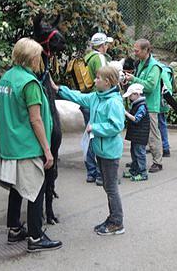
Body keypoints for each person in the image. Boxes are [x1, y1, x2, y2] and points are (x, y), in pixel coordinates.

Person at [0, 38, 62, 252]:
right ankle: (35, 237)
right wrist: (47, 150)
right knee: (36, 189)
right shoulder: (29, 83)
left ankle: (14, 228)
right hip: (27, 145)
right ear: (32, 58)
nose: (40, 60)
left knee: (16, 187)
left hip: (10, 144)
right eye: (38, 56)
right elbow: (36, 120)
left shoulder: (6, 78)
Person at [51, 65, 126, 235]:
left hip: (110, 152)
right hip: (100, 150)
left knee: (111, 187)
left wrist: (95, 127)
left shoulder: (113, 102)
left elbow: (117, 126)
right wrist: (58, 89)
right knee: (108, 186)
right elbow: (78, 97)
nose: (95, 80)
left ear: (107, 82)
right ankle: (113, 218)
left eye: (98, 78)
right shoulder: (96, 97)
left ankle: (117, 222)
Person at [124, 39, 164, 173]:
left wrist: (133, 79)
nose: (134, 53)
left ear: (146, 50)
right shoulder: (141, 63)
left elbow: (150, 86)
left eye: (137, 51)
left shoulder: (154, 66)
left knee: (153, 135)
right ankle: (137, 161)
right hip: (139, 104)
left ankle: (157, 162)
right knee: (137, 135)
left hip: (150, 106)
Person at [82, 32, 114, 185]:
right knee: (99, 135)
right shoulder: (100, 58)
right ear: (102, 45)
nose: (107, 47)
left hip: (89, 100)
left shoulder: (88, 58)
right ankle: (101, 174)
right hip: (98, 100)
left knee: (90, 135)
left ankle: (91, 172)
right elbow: (106, 79)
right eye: (106, 44)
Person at [122, 83, 150, 181]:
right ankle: (134, 170)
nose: (129, 97)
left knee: (139, 153)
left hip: (140, 134)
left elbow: (136, 119)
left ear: (137, 94)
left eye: (130, 95)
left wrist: (125, 113)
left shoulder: (141, 106)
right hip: (136, 134)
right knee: (134, 152)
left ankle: (143, 173)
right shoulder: (136, 104)